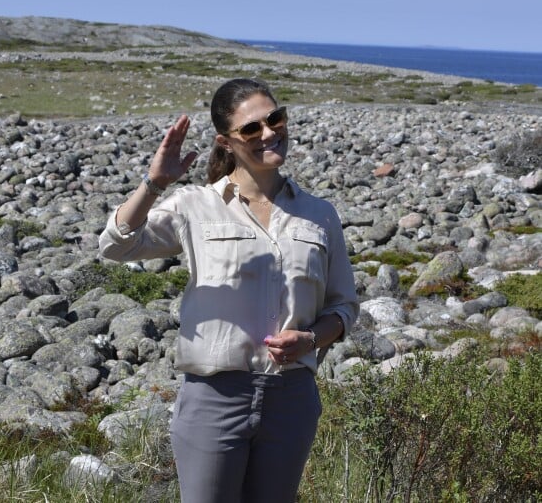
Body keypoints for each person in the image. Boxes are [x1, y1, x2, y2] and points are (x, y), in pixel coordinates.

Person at [99, 78, 359, 503]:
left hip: (291, 398)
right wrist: (154, 183)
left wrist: (311, 339)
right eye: (252, 129)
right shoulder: (194, 205)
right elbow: (116, 245)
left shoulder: (319, 214)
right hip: (214, 398)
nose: (270, 133)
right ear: (226, 141)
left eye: (275, 119)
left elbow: (344, 307)